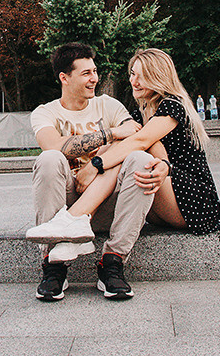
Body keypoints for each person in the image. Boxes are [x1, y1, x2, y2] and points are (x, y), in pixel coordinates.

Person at [31, 49, 220, 291]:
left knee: (135, 157)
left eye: (142, 76)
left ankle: (81, 227)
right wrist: (108, 144)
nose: (134, 81)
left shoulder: (172, 106)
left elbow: (141, 142)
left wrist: (94, 165)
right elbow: (130, 141)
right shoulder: (140, 112)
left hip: (190, 199)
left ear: (158, 77)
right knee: (59, 157)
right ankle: (58, 255)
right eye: (133, 74)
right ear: (64, 77)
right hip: (154, 195)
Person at [26, 43, 165, 302]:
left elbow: (137, 137)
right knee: (49, 159)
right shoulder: (46, 113)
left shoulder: (108, 105)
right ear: (64, 78)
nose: (94, 79)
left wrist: (162, 162)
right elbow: (53, 146)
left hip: (108, 202)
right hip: (66, 204)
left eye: (95, 71)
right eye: (86, 73)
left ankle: (112, 263)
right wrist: (109, 134)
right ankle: (53, 266)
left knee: (139, 158)